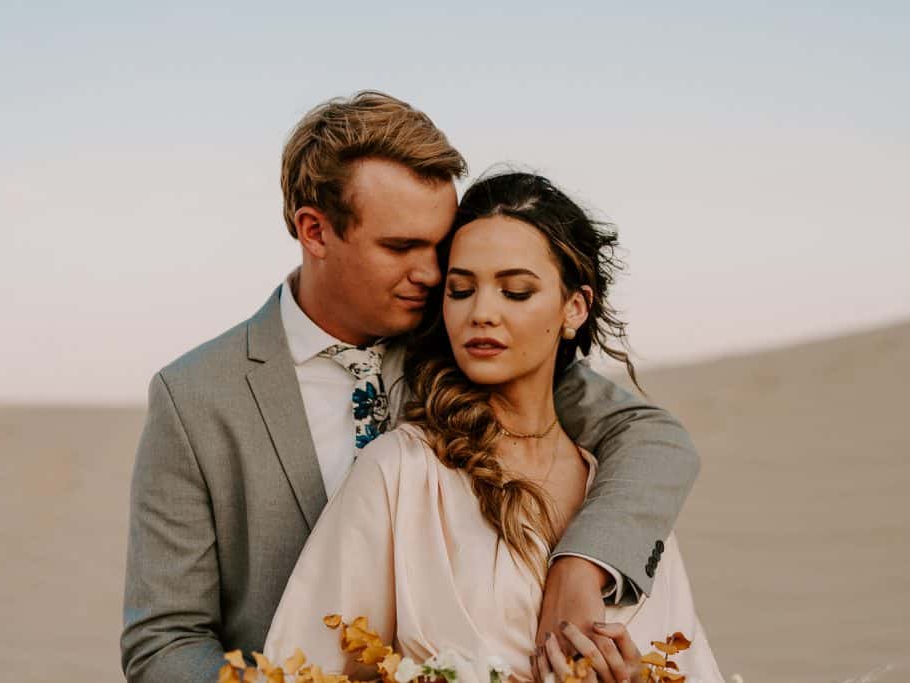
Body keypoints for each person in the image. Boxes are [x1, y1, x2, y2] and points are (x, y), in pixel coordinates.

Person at [121, 92, 701, 683]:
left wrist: (581, 565)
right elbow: (164, 640)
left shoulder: (468, 340)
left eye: (439, 246)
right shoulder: (195, 395)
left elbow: (651, 438)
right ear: (314, 231)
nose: (430, 274)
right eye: (401, 247)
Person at [261, 171, 722, 683]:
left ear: (575, 308)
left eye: (516, 292)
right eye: (460, 290)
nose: (481, 312)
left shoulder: (622, 494)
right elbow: (296, 670)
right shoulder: (401, 473)